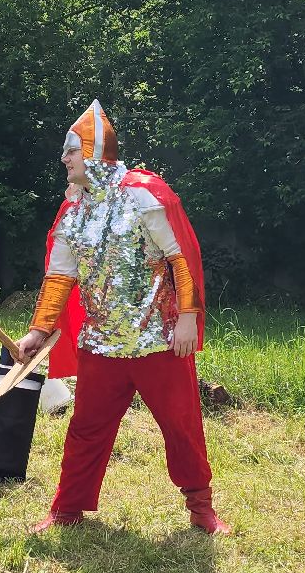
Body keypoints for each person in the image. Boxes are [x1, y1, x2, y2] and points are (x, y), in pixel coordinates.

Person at [13, 101, 231, 535]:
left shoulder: (143, 192)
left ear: (93, 151)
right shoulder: (72, 212)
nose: (64, 159)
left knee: (181, 426)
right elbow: (58, 278)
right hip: (101, 345)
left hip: (159, 342)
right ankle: (67, 509)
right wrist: (39, 331)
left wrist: (188, 316)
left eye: (71, 150)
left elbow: (179, 255)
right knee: (85, 430)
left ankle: (201, 507)